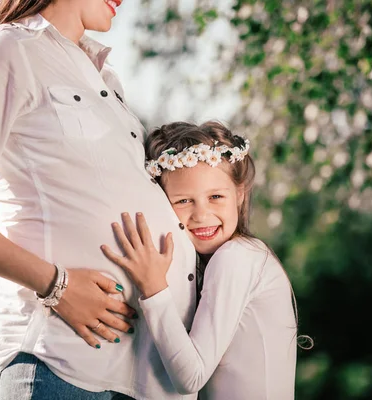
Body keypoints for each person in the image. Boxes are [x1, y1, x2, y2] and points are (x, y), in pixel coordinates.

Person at [0, 1, 198, 399]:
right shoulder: (7, 51)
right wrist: (57, 286)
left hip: (142, 374)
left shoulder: (106, 77)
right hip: (57, 365)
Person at [101, 121, 303, 399]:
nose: (201, 215)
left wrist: (153, 286)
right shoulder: (235, 257)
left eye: (216, 196)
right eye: (183, 201)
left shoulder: (236, 257)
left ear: (240, 195)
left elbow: (191, 376)